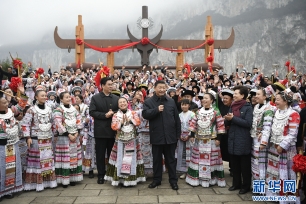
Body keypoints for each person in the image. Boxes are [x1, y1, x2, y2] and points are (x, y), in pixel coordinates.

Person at [142, 80, 181, 190]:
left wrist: (177, 134)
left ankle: (173, 181)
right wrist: (156, 110)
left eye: (164, 87)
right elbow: (145, 114)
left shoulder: (171, 101)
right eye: (160, 87)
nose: (162, 89)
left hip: (170, 137)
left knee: (171, 160)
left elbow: (176, 119)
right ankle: (157, 180)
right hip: (157, 136)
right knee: (157, 160)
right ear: (155, 88)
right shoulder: (149, 102)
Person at [186, 93, 226, 187]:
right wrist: (192, 135)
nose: (204, 100)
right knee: (198, 160)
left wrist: (218, 138)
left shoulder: (216, 111)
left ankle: (211, 180)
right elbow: (193, 124)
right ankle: (198, 179)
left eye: (206, 98)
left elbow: (220, 125)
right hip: (199, 140)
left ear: (212, 100)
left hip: (211, 140)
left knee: (211, 160)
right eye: (203, 98)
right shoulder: (198, 111)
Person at [21, 86, 57, 191]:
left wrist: (55, 134)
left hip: (47, 138)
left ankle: (48, 182)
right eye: (42, 95)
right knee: (37, 162)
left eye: (45, 95)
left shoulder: (50, 109)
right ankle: (36, 183)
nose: (45, 97)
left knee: (47, 160)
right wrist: (27, 137)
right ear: (36, 97)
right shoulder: (31, 110)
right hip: (36, 139)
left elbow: (53, 123)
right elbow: (25, 124)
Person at [266, 91, 300, 200]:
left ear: (285, 101)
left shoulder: (293, 114)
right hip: (274, 148)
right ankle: (274, 195)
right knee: (274, 172)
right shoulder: (276, 112)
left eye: (278, 100)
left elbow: (292, 133)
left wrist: (282, 145)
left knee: (286, 174)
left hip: (286, 149)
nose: (275, 102)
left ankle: (286, 198)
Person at [104, 96, 145, 186]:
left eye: (124, 102)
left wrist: (130, 121)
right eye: (120, 102)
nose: (122, 104)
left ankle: (131, 179)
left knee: (131, 159)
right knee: (121, 158)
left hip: (132, 139)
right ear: (118, 105)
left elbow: (138, 122)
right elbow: (113, 126)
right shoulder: (115, 115)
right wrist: (121, 123)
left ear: (128, 103)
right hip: (121, 140)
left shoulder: (133, 113)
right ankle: (120, 179)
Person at [89, 77, 119, 184]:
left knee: (112, 154)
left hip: (112, 131)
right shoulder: (95, 98)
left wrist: (114, 113)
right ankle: (101, 174)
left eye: (112, 84)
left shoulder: (116, 98)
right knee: (100, 154)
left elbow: (119, 111)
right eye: (109, 84)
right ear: (102, 86)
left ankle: (111, 173)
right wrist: (105, 115)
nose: (111, 86)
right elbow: (92, 112)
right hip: (100, 130)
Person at [0, 86, 27, 200]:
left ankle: (8, 190)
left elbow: (21, 105)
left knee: (11, 167)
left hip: (12, 144)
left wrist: (22, 93)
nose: (6, 104)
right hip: (1, 146)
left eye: (6, 102)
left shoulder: (11, 111)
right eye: (3, 102)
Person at [225, 85, 253, 194]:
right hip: (232, 138)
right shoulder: (232, 106)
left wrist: (233, 118)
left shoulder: (248, 107)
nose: (234, 95)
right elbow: (228, 122)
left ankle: (245, 186)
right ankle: (236, 184)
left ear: (242, 95)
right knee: (235, 164)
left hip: (243, 139)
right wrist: (227, 119)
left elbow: (247, 123)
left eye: (236, 93)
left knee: (244, 165)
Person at [52, 91, 83, 188]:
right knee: (65, 157)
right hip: (64, 138)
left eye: (69, 97)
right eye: (66, 97)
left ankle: (73, 178)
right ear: (61, 99)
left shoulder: (74, 109)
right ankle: (64, 179)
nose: (69, 98)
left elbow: (79, 120)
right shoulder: (58, 110)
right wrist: (68, 134)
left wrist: (77, 133)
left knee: (74, 157)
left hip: (75, 136)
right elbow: (58, 123)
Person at [250, 89, 274, 182]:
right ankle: (255, 185)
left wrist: (263, 142)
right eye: (256, 94)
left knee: (261, 163)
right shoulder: (256, 106)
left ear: (265, 96)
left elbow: (267, 126)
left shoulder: (269, 109)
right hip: (254, 137)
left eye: (258, 94)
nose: (256, 96)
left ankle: (261, 188)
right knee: (254, 162)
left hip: (262, 140)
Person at [176, 99, 195, 179]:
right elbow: (177, 126)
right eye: (182, 105)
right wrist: (179, 135)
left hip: (189, 137)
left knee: (190, 153)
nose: (184, 106)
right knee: (182, 154)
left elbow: (193, 125)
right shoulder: (179, 115)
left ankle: (191, 171)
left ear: (189, 105)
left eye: (185, 105)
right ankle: (183, 171)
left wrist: (190, 135)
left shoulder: (192, 114)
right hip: (181, 137)